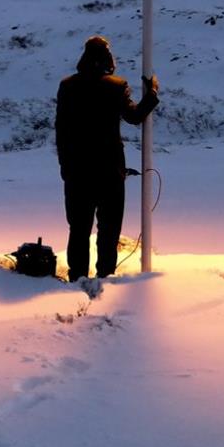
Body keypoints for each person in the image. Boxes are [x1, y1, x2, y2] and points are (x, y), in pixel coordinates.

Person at [54, 34, 159, 281]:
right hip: (109, 170)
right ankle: (105, 276)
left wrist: (65, 166)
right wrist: (152, 94)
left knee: (78, 228)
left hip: (77, 171)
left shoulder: (67, 86)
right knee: (109, 229)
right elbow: (134, 116)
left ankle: (77, 277)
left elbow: (61, 129)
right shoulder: (116, 86)